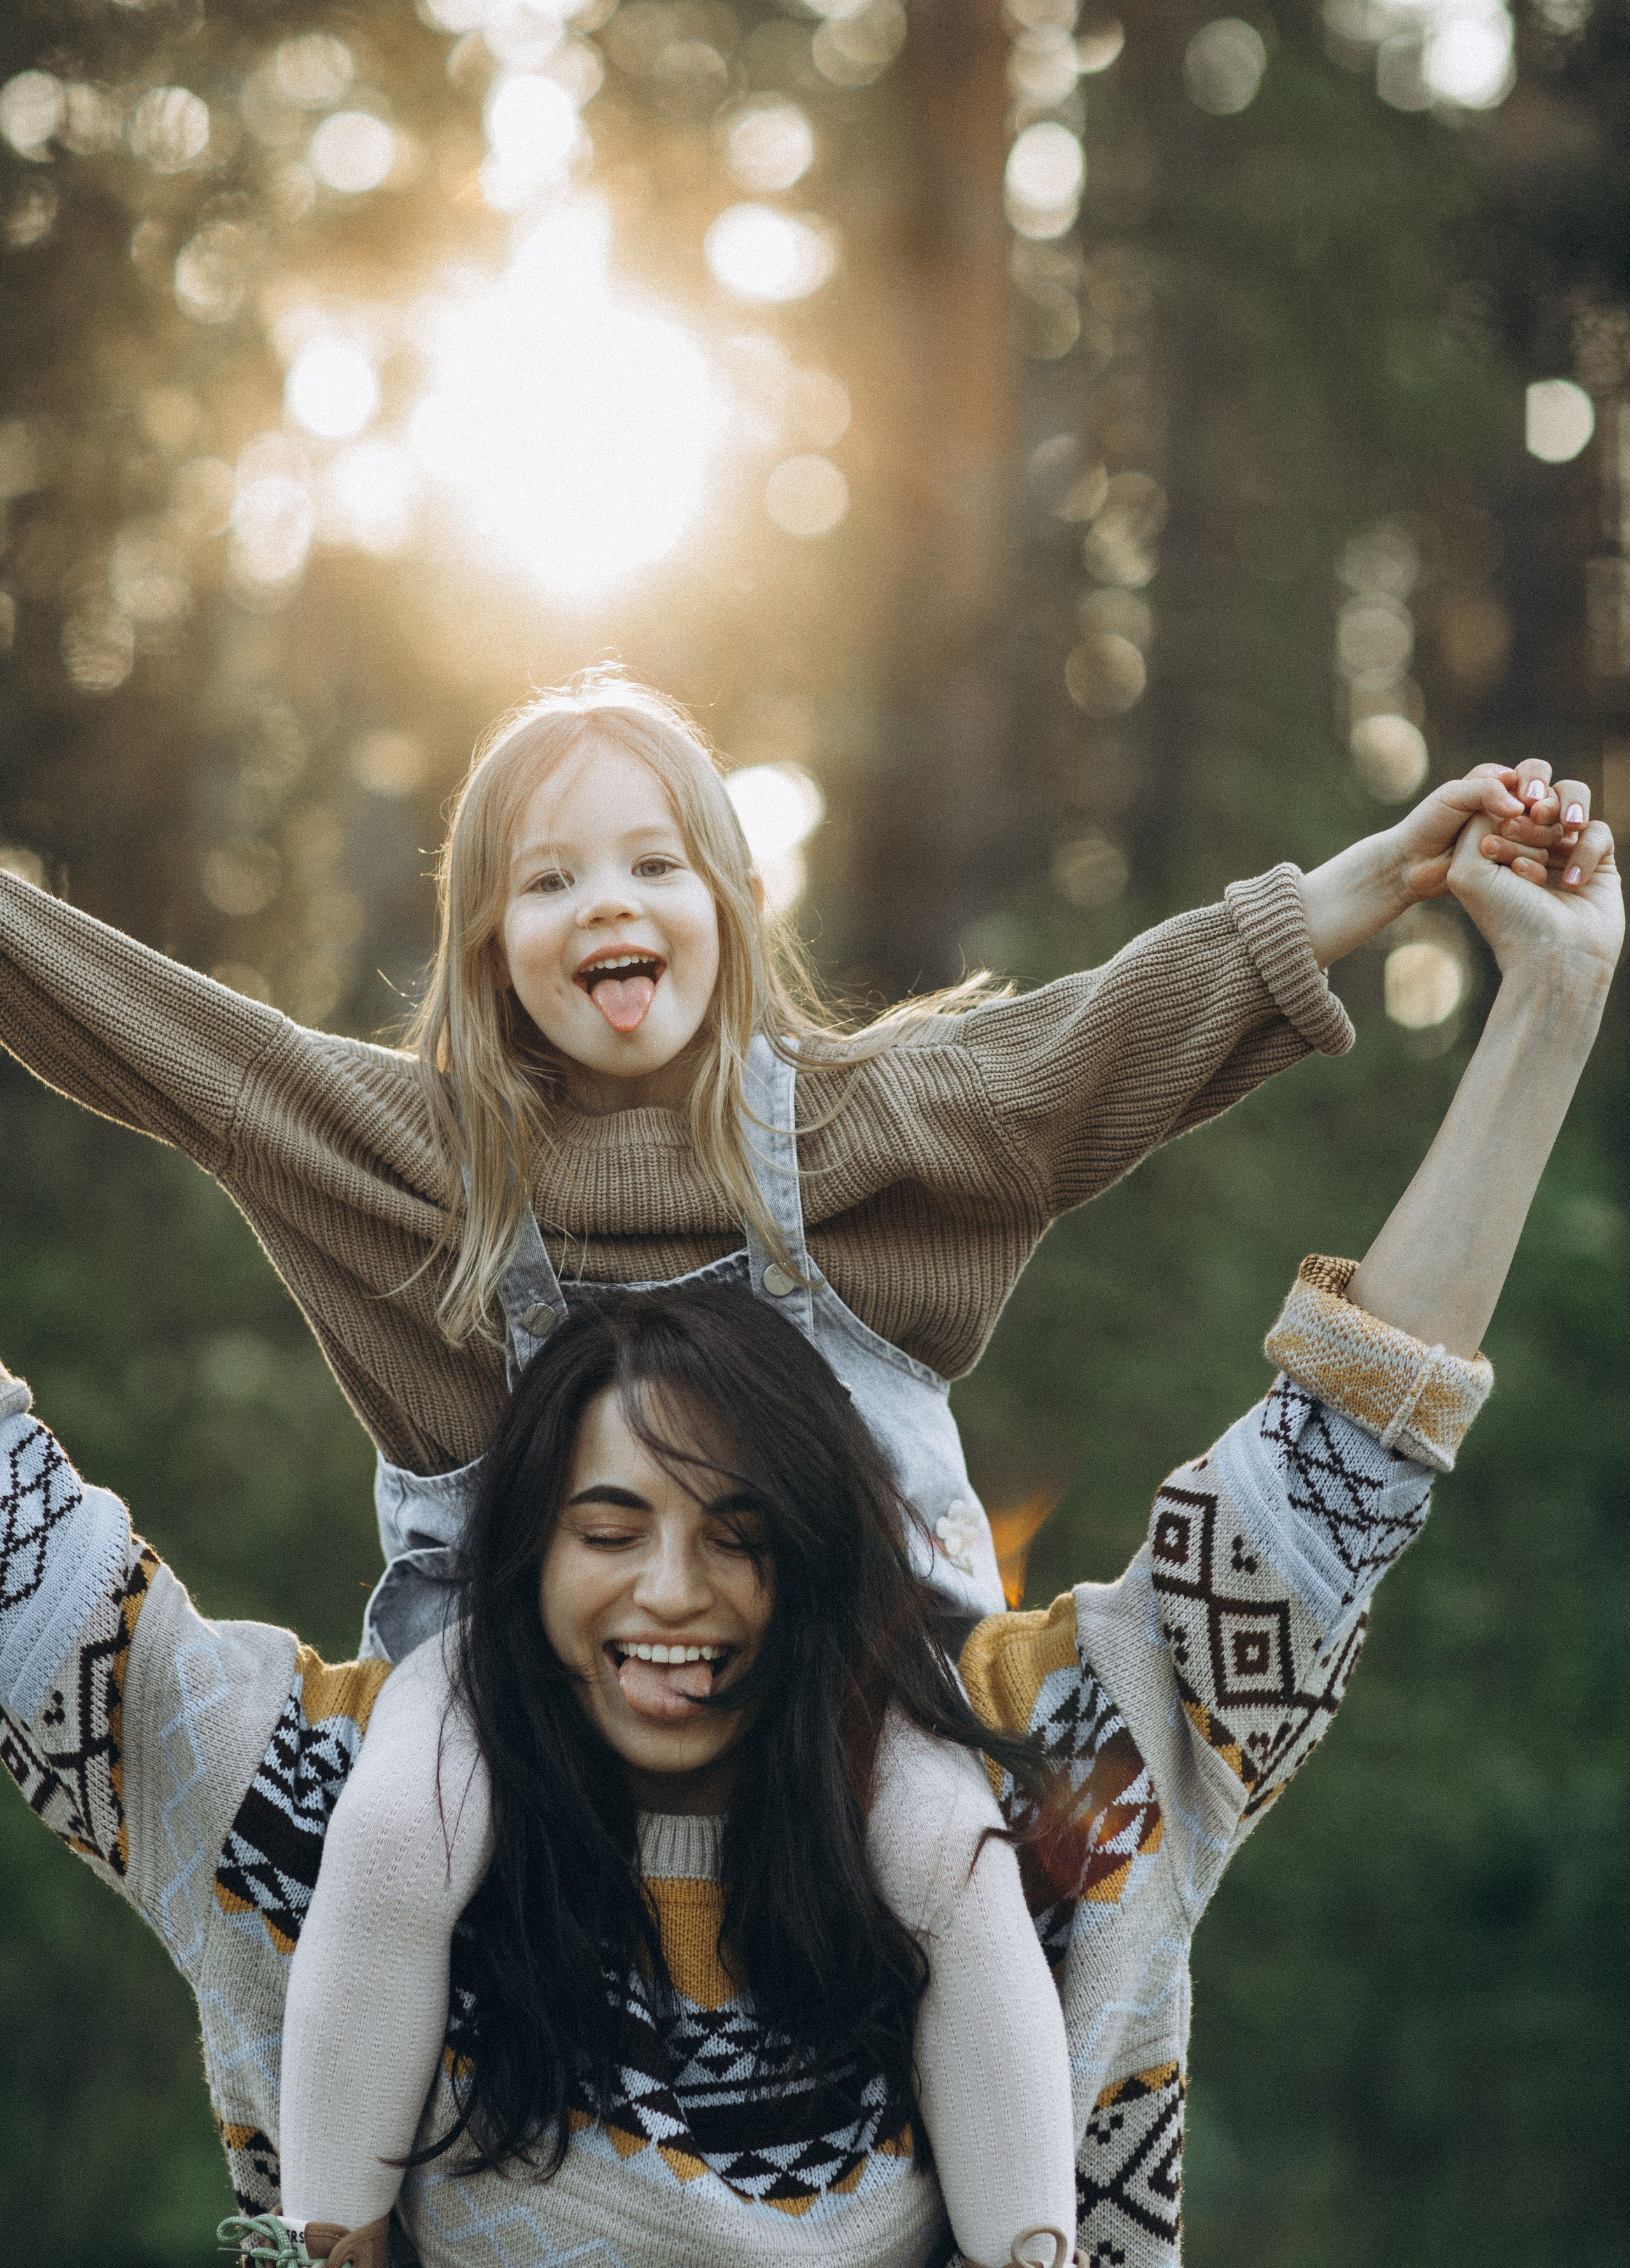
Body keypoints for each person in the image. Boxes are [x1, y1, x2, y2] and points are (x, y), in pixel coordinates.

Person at [0, 677, 1599, 2257]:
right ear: (480, 949)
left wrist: (1391, 895)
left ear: (737, 902)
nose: (674, 1586)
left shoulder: (860, 1144)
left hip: (880, 1681)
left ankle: (1030, 2241)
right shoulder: (429, 1172)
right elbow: (178, 1044)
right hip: (484, 1693)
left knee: (957, 1864)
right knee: (398, 1836)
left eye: (650, 864)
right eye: (544, 880)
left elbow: (1093, 1050)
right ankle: (321, 2239)